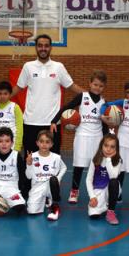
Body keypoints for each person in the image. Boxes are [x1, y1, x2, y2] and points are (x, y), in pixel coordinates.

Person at [12, 34, 84, 155]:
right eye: (40, 45)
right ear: (36, 47)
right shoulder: (28, 67)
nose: (43, 48)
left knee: (53, 161)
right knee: (30, 162)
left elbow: (72, 86)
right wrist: (2, 100)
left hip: (52, 123)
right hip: (30, 123)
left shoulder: (58, 67)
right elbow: (18, 87)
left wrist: (91, 96)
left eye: (46, 46)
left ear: (50, 48)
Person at [50, 70, 108, 204]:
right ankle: (74, 191)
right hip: (82, 135)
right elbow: (66, 107)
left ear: (104, 87)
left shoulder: (104, 103)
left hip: (97, 137)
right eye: (95, 84)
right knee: (78, 165)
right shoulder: (82, 96)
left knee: (97, 165)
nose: (97, 87)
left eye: (100, 86)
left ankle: (95, 191)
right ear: (90, 83)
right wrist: (54, 121)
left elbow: (104, 123)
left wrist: (107, 138)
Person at [100, 79, 129, 203]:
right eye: (128, 92)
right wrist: (102, 115)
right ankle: (118, 193)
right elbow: (105, 105)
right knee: (120, 169)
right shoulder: (123, 102)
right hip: (122, 142)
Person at [25, 130, 67, 221]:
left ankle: (55, 205)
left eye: (47, 142)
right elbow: (28, 176)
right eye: (41, 141)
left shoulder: (56, 157)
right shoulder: (32, 157)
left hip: (50, 184)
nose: (44, 144)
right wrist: (28, 164)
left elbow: (64, 168)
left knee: (53, 180)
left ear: (51, 144)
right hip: (37, 186)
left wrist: (58, 179)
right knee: (31, 211)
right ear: (37, 143)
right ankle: (46, 200)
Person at [86, 133, 122, 225]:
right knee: (93, 216)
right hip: (98, 190)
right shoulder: (95, 160)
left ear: (116, 149)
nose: (108, 149)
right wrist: (92, 197)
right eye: (106, 145)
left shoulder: (118, 160)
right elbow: (88, 180)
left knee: (114, 182)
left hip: (110, 189)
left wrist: (109, 159)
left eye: (112, 147)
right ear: (101, 145)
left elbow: (113, 176)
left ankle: (110, 211)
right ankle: (104, 204)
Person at [0, 81, 23, 153]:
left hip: (11, 142)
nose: (2, 96)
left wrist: (17, 145)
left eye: (5, 93)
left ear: (10, 94)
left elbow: (20, 127)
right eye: (0, 93)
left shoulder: (15, 107)